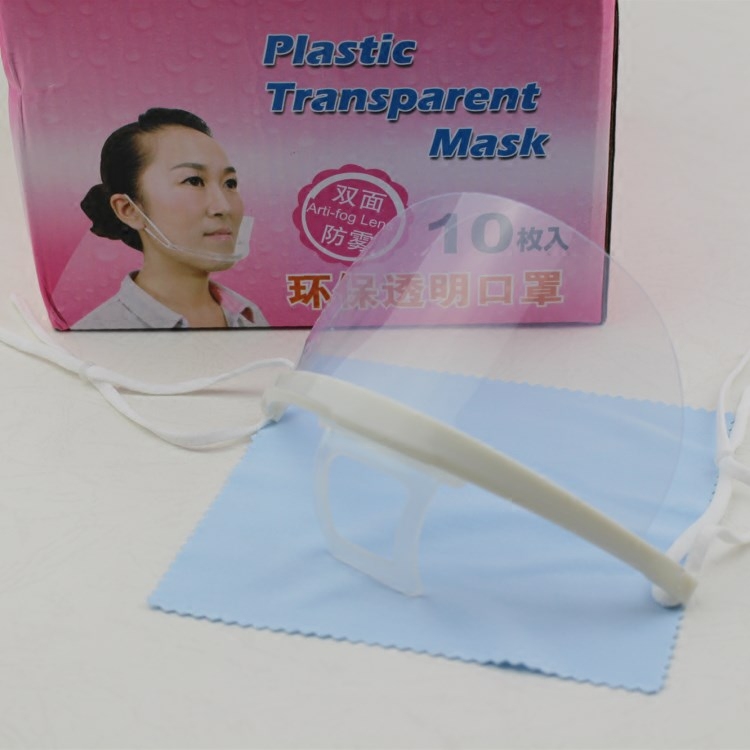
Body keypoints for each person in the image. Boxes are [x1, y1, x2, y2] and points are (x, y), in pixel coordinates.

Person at [75, 108, 267, 329]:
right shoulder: (101, 332)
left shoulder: (248, 316)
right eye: (194, 181)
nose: (223, 206)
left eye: (230, 183)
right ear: (129, 209)